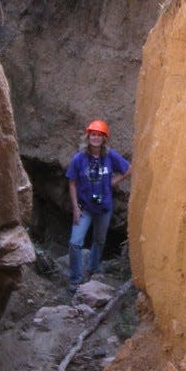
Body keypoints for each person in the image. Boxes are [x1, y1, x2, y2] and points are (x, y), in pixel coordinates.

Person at [66, 119, 131, 292]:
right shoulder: (79, 158)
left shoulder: (110, 156)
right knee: (75, 242)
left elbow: (128, 169)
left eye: (99, 135)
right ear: (88, 137)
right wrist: (75, 209)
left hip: (104, 208)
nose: (95, 138)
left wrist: (112, 182)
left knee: (99, 240)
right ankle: (75, 279)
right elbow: (72, 183)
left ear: (104, 139)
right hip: (84, 207)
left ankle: (93, 267)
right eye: (93, 135)